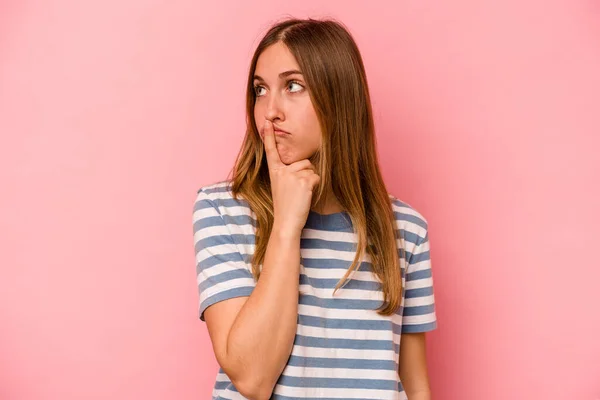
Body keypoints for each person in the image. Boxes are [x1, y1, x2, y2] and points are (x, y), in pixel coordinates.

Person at [192, 17, 437, 400]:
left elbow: (415, 385)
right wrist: (287, 226)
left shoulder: (406, 230)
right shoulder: (222, 210)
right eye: (260, 89)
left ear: (337, 97)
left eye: (293, 86)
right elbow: (252, 380)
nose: (270, 111)